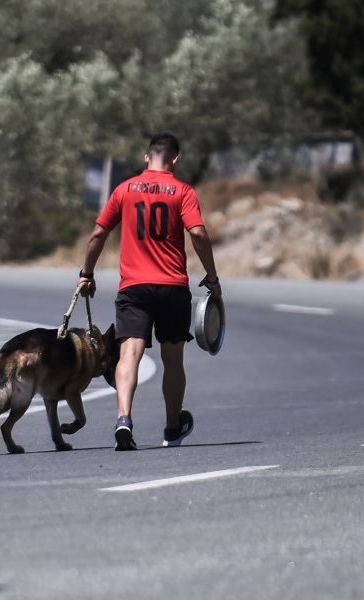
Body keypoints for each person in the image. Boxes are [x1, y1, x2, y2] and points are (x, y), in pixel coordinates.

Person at [79, 133, 222, 450]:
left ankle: (123, 420)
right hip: (172, 287)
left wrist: (86, 274)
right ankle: (172, 428)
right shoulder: (182, 191)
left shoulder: (125, 189)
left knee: (129, 352)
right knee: (173, 359)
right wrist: (212, 276)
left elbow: (98, 232)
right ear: (175, 160)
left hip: (134, 287)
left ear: (147, 158)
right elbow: (197, 233)